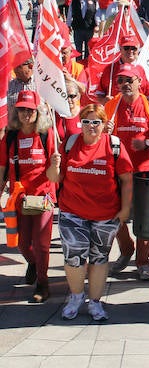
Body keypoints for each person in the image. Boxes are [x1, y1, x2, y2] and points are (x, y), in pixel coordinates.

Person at [47, 104, 134, 321]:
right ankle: (76, 297)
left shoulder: (114, 145)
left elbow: (126, 180)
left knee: (99, 258)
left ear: (104, 125)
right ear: (81, 124)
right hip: (72, 212)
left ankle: (95, 303)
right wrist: (54, 165)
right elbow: (54, 178)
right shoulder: (69, 144)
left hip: (106, 214)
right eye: (86, 121)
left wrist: (125, 209)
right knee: (74, 257)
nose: (91, 126)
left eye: (96, 122)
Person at [104, 64, 149, 281]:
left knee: (145, 220)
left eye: (129, 80)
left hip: (145, 173)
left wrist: (148, 143)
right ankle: (126, 250)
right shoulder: (112, 105)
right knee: (115, 216)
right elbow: (97, 136)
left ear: (139, 82)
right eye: (121, 81)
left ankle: (143, 263)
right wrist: (104, 129)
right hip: (118, 173)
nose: (124, 85)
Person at [0, 91, 56, 303]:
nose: (25, 114)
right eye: (22, 109)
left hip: (43, 197)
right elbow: (2, 165)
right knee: (22, 244)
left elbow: (53, 167)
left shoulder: (46, 134)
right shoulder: (11, 135)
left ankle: (43, 283)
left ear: (37, 112)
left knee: (42, 243)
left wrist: (56, 165)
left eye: (30, 110)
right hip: (19, 197)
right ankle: (33, 263)